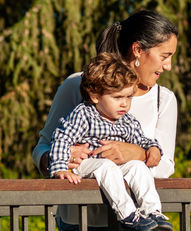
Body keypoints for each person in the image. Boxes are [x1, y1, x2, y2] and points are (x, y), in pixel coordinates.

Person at [32, 10, 178, 230]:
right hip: (79, 221)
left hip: (141, 225)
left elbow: (166, 165)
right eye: (164, 56)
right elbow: (42, 147)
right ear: (138, 50)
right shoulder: (76, 85)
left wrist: (136, 153)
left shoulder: (163, 99)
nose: (168, 66)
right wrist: (59, 157)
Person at [49, 52, 172, 231]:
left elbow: (142, 139)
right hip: (86, 163)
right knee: (105, 166)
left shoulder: (127, 120)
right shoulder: (84, 114)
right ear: (96, 96)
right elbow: (62, 137)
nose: (124, 104)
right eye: (117, 98)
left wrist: (153, 148)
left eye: (128, 97)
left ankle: (152, 211)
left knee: (138, 167)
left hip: (113, 168)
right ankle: (128, 215)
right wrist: (60, 168)